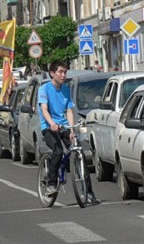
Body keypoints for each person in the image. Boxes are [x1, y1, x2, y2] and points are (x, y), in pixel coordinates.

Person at [38, 60, 100, 205]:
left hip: (64, 126)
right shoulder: (44, 89)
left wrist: (72, 129)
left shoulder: (66, 89)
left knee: (80, 153)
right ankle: (51, 184)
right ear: (52, 73)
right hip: (48, 127)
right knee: (58, 151)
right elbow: (44, 109)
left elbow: (69, 111)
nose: (63, 75)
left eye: (65, 72)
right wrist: (52, 124)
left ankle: (89, 193)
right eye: (60, 72)